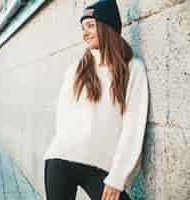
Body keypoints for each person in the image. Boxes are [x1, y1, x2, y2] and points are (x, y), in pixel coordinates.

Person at [43, 0, 149, 200]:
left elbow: (133, 128)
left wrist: (117, 177)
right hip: (61, 158)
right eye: (83, 28)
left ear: (108, 27)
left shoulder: (132, 69)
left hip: (100, 167)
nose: (85, 33)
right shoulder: (76, 69)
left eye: (90, 26)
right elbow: (63, 118)